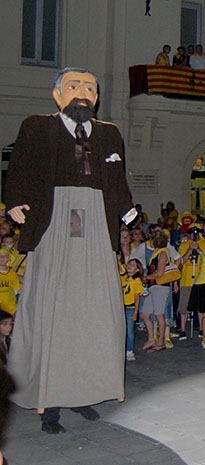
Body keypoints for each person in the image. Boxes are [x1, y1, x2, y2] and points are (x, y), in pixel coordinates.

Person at [6, 67, 137, 434]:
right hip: (52, 217)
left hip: (96, 220)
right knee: (52, 308)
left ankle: (83, 392)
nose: (83, 93)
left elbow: (118, 176)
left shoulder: (110, 133)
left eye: (90, 88)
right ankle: (50, 401)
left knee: (93, 311)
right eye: (74, 86)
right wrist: (14, 200)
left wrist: (125, 207)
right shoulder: (37, 126)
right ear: (57, 94)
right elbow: (19, 167)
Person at [120, 258, 144, 361]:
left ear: (137, 269)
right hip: (121, 306)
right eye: (129, 264)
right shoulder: (124, 277)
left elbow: (137, 298)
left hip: (130, 307)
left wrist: (135, 312)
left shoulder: (136, 281)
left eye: (133, 265)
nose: (130, 266)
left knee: (129, 330)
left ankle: (129, 350)